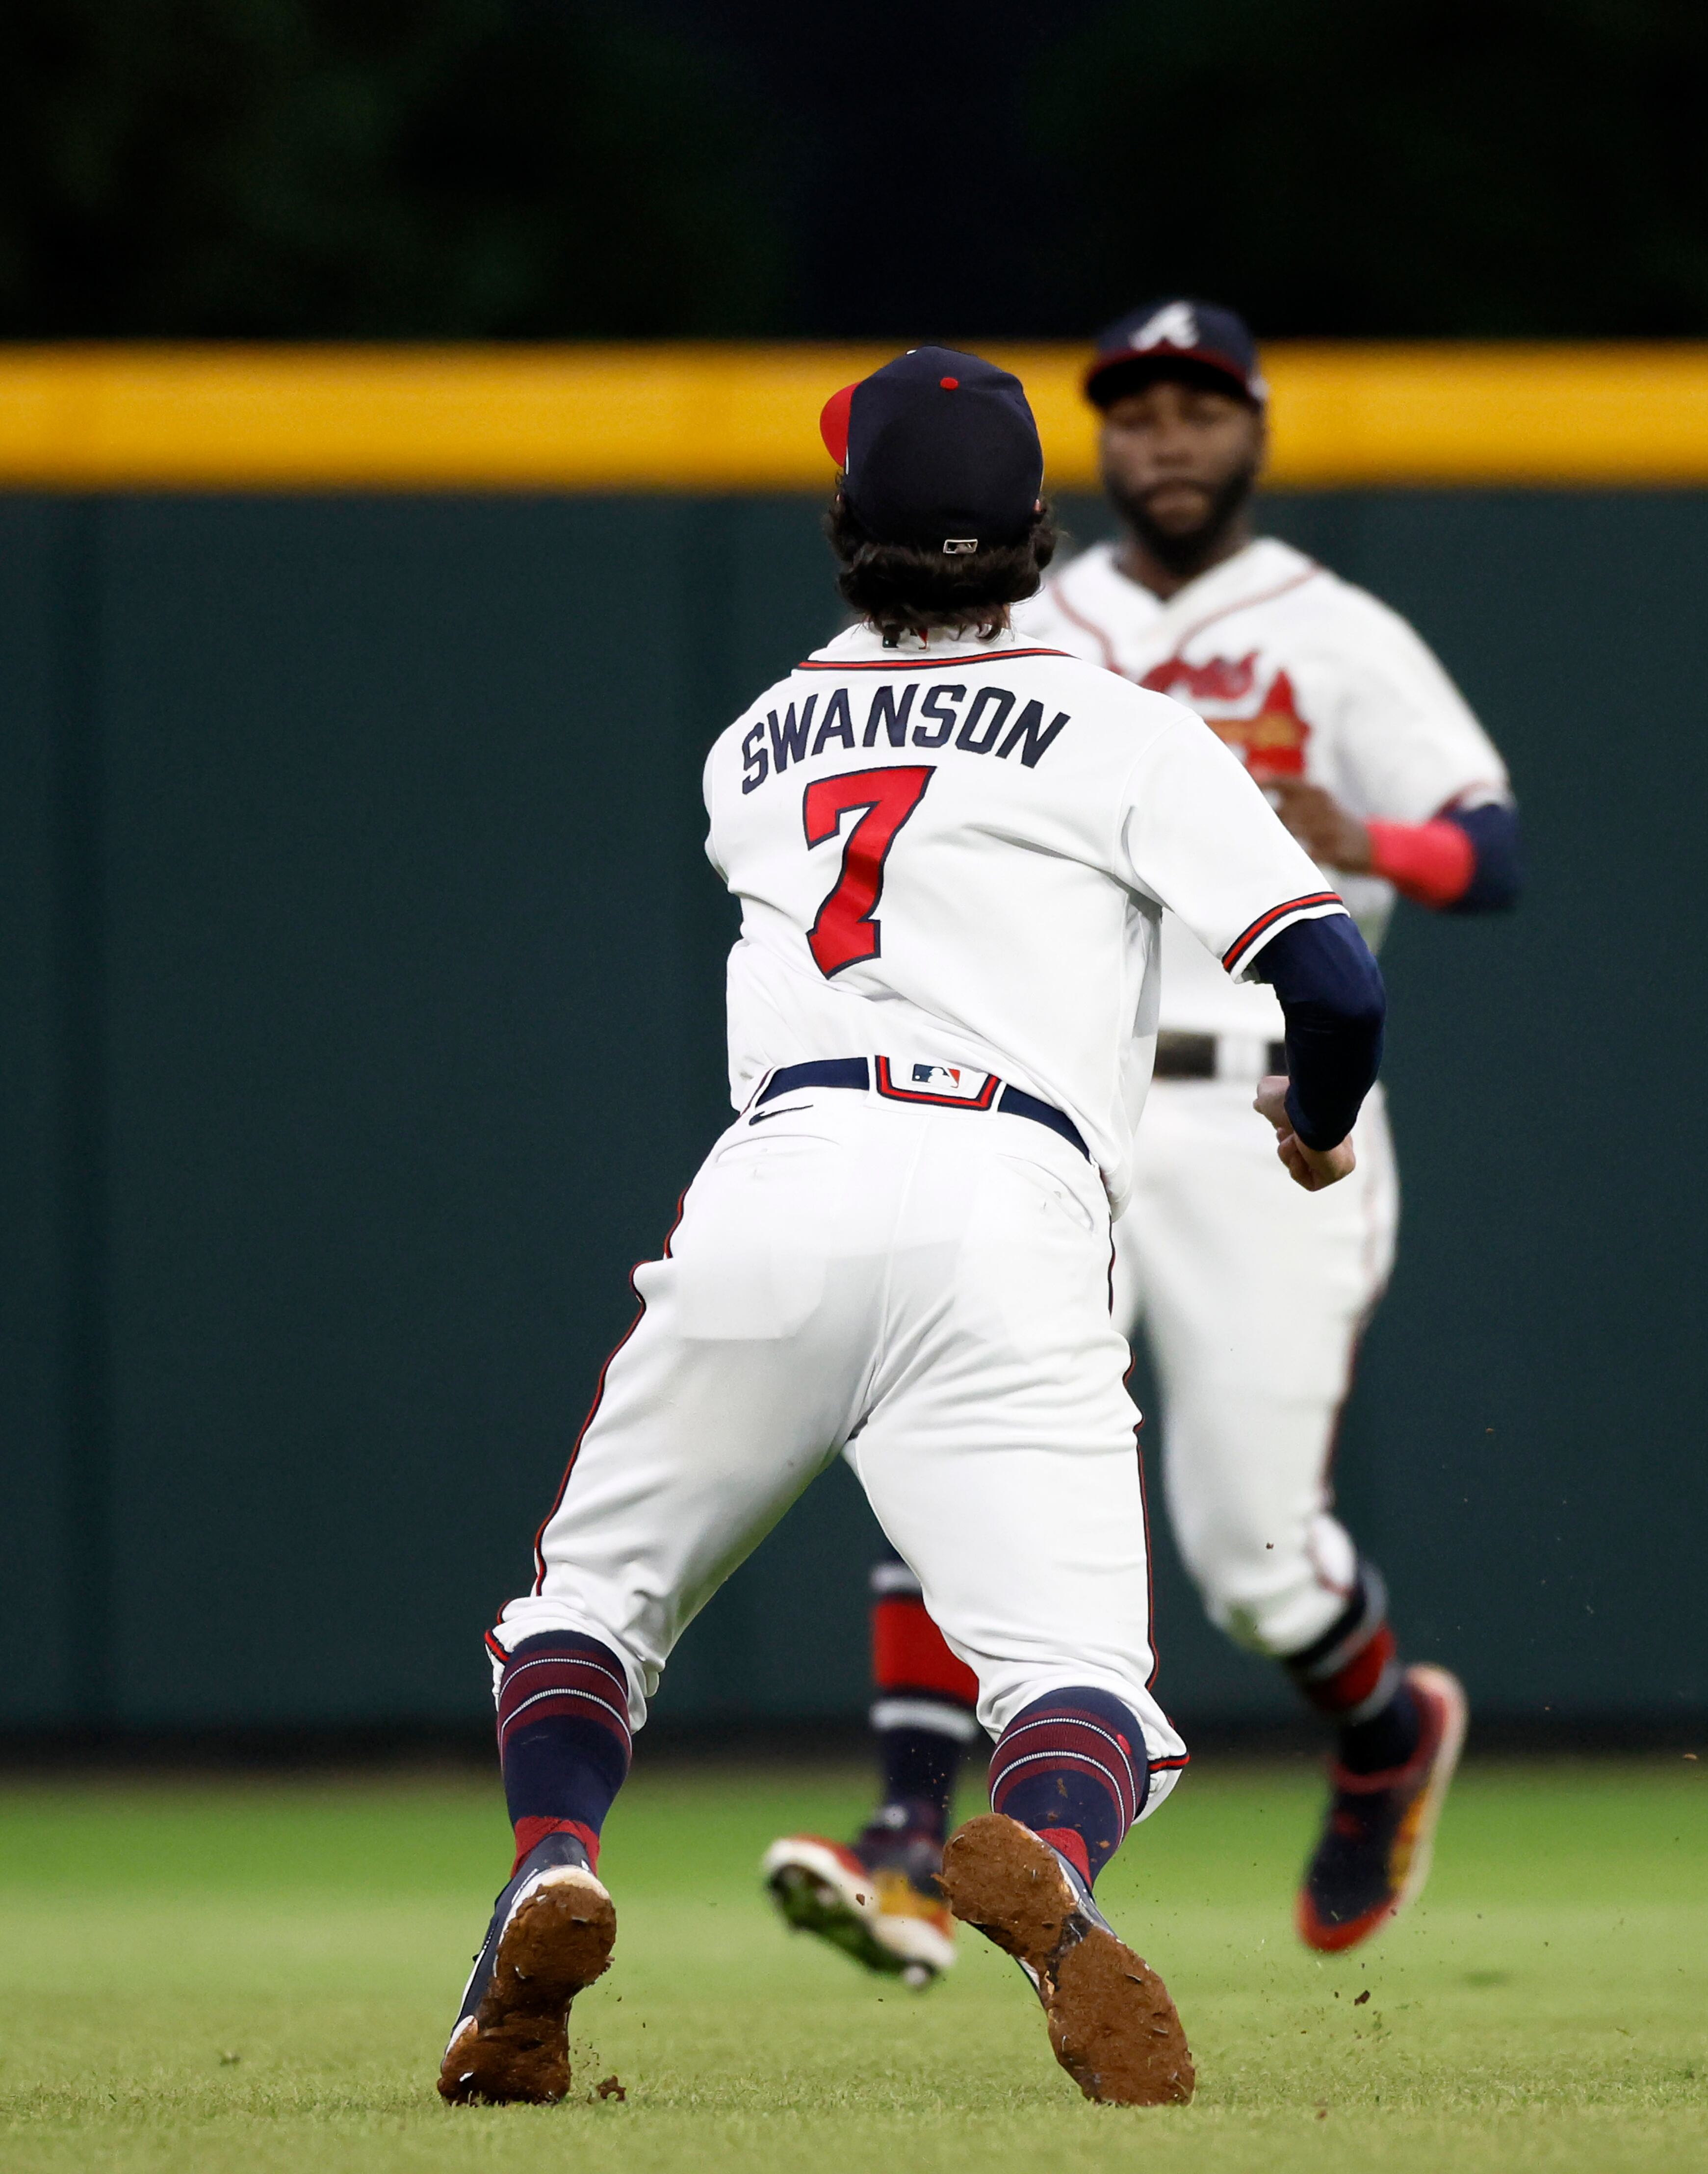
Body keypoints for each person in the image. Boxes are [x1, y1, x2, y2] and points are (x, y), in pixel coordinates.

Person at [437, 345, 1386, 2110]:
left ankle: (550, 1870)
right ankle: (1044, 1854)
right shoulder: (1123, 725)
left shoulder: (752, 742)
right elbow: (1332, 983)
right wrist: (1314, 1130)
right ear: (1039, 529)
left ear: (839, 528)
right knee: (1079, 1686)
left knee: (593, 1605)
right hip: (1014, 1210)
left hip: (778, 1179)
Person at [765, 300, 1517, 1984]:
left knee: (1254, 1561)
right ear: (1088, 451)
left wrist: (1374, 836)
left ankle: (1383, 1727)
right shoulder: (1028, 613)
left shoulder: (1333, 630)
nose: (1165, 437)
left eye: (1199, 408)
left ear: (1251, 432)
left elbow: (1497, 844)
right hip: (1061, 1097)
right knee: (947, 1419)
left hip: (1269, 1102)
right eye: (1136, 411)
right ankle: (902, 1842)